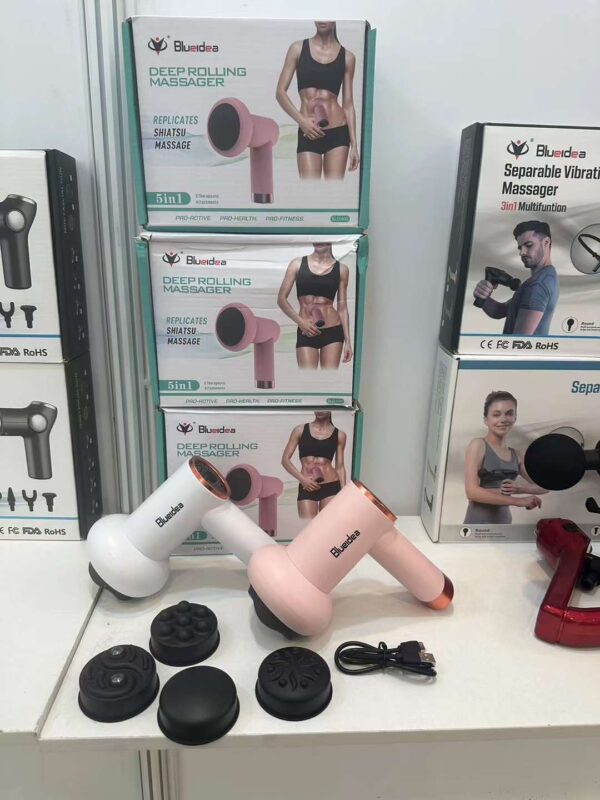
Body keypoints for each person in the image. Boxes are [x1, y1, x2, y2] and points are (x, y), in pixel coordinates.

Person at [276, 21, 360, 179]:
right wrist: (302, 121)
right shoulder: (297, 49)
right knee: (309, 190)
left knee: (333, 191)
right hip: (308, 130)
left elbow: (348, 104)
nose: (322, 20)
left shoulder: (348, 57)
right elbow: (280, 92)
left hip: (338, 132)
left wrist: (354, 145)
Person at [464, 391, 547, 525]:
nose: (503, 419)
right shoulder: (478, 445)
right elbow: (472, 492)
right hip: (477, 525)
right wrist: (518, 501)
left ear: (515, 418)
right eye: (496, 414)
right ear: (486, 419)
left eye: (509, 413)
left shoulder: (517, 455)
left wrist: (520, 489)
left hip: (504, 524)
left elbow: (545, 486)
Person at [473, 221, 560, 335]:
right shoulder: (545, 277)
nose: (522, 253)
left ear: (546, 242)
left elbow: (519, 341)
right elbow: (499, 311)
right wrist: (483, 296)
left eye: (529, 245)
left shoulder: (537, 285)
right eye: (520, 248)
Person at [277, 242, 352, 369]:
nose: (319, 242)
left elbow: (342, 308)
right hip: (306, 329)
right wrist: (300, 322)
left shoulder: (342, 269)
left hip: (333, 329)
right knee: (307, 377)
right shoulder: (297, 264)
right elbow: (281, 299)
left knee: (328, 377)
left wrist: (348, 341)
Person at [281, 411, 347, 519]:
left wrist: (344, 492)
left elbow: (340, 467)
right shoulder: (300, 430)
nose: (319, 410)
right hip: (307, 485)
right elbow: (285, 460)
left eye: (323, 408)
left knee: (327, 525)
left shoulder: (340, 435)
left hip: (331, 485)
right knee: (307, 525)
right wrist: (302, 479)